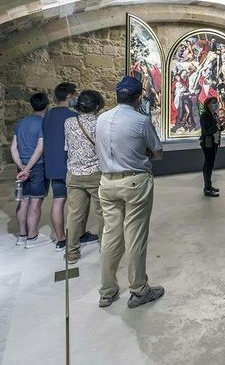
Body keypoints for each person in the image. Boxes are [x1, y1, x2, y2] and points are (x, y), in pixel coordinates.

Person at [95, 76, 164, 309]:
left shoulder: (101, 119)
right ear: (138, 98)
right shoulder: (141, 121)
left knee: (110, 236)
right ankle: (139, 290)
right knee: (134, 236)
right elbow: (158, 152)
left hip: (107, 182)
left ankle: (107, 291)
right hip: (134, 182)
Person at [63, 90, 105, 264]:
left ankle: (72, 252)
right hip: (96, 173)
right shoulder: (100, 123)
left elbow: (67, 147)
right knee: (103, 213)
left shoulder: (69, 122)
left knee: (74, 214)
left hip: (74, 174)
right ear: (96, 106)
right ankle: (105, 246)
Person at [11, 93, 51, 248]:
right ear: (46, 105)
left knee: (23, 200)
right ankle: (32, 236)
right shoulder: (43, 123)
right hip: (37, 166)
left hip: (21, 166)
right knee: (35, 202)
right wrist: (27, 169)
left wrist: (20, 166)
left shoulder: (21, 123)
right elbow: (39, 149)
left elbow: (13, 148)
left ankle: (22, 235)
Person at [42, 82, 78, 251]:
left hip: (53, 165)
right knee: (77, 205)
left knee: (57, 201)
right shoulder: (71, 117)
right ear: (70, 96)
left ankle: (61, 239)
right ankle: (78, 235)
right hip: (69, 165)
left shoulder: (47, 116)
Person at [199, 96, 225, 198]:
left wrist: (222, 127)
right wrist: (218, 125)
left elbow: (216, 129)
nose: (216, 105)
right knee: (208, 165)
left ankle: (209, 186)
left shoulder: (214, 115)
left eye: (217, 102)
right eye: (214, 102)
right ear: (208, 104)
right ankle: (207, 188)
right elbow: (206, 131)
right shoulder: (205, 116)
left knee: (209, 164)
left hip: (214, 142)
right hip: (208, 142)